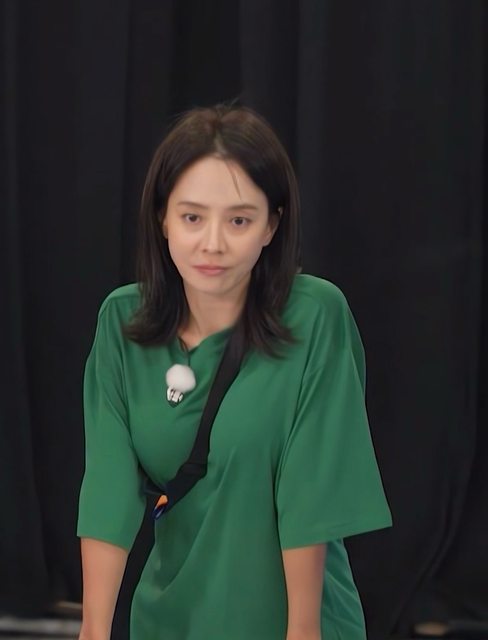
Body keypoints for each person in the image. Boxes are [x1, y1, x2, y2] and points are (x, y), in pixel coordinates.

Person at [77, 104, 392, 640]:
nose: (213, 243)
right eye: (192, 217)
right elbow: (109, 488)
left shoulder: (315, 315)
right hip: (173, 618)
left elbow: (309, 493)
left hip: (293, 620)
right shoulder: (122, 322)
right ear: (163, 218)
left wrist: (304, 632)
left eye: (239, 220)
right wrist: (93, 630)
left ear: (273, 224)